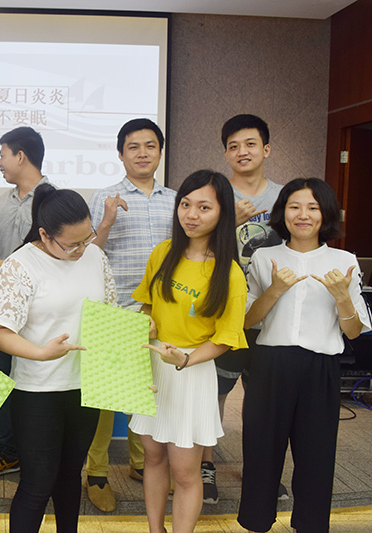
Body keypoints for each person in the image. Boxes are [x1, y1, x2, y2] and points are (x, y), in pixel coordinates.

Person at [238, 178, 370, 533]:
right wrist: (275, 290)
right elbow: (247, 321)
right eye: (294, 206)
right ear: (283, 212)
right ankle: (256, 523)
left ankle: (309, 525)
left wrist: (341, 296)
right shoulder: (264, 258)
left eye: (313, 207)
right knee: (261, 452)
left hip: (320, 368)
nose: (303, 215)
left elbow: (353, 331)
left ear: (325, 214)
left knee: (316, 456)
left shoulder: (344, 261)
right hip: (270, 366)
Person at [0, 183, 116, 532]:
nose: (82, 249)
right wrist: (41, 353)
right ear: (44, 234)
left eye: (87, 238)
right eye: (72, 244)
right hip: (37, 391)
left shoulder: (95, 257)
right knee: (37, 483)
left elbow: (109, 316)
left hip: (85, 387)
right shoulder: (20, 265)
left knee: (70, 475)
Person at [129, 170, 248, 533]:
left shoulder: (229, 273)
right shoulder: (162, 253)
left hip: (192, 371)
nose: (191, 214)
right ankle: (155, 530)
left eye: (204, 207)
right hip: (154, 366)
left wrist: (185, 359)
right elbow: (146, 306)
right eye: (185, 204)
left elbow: (226, 337)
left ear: (222, 213)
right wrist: (147, 323)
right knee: (152, 458)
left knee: (185, 471)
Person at [84, 118, 176, 512]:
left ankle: (142, 464)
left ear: (160, 152)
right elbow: (86, 253)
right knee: (106, 399)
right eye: (133, 146)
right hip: (116, 306)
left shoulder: (177, 200)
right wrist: (106, 220)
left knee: (150, 392)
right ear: (120, 154)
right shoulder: (104, 197)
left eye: (150, 145)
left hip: (163, 312)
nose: (142, 153)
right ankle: (97, 473)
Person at [203, 114, 285, 504]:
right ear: (225, 154)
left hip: (272, 315)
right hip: (226, 313)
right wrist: (226, 223)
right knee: (213, 394)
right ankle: (206, 467)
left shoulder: (286, 198)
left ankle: (259, 470)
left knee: (263, 400)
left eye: (250, 144)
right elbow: (196, 245)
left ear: (266, 149)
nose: (242, 152)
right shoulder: (215, 195)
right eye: (233, 146)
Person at [0, 126, 50, 480]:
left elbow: (55, 255)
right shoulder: (3, 201)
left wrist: (4, 266)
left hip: (39, 313)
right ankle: (8, 453)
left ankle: (36, 454)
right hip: (1, 311)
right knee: (2, 382)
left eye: (3, 155)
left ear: (21, 156)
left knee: (36, 385)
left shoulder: (53, 199)